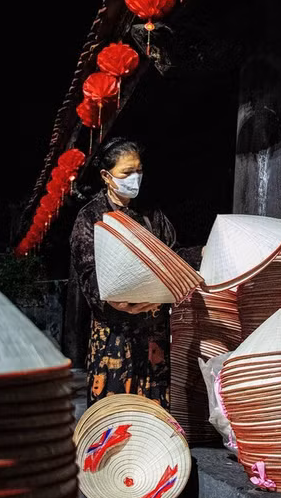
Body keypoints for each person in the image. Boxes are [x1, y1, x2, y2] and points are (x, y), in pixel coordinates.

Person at [69, 136, 201, 408]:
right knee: (114, 412)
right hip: (114, 334)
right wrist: (117, 301)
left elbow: (171, 256)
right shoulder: (91, 217)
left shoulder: (151, 215)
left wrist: (198, 259)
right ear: (106, 176)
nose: (135, 178)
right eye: (126, 172)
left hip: (153, 330)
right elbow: (88, 272)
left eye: (139, 171)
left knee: (152, 411)